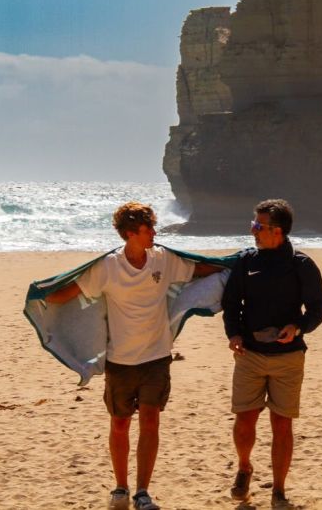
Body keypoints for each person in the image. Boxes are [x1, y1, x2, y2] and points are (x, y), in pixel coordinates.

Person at [45, 201, 222, 510]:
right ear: (129, 234)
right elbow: (71, 290)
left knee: (151, 421)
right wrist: (41, 298)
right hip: (121, 361)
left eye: (152, 227)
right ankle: (120, 487)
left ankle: (142, 492)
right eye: (147, 229)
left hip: (156, 357)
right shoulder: (108, 267)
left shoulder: (163, 259)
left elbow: (197, 268)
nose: (154, 232)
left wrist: (231, 267)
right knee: (120, 424)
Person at [222, 199, 322, 508]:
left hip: (289, 358)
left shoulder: (301, 264)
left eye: (258, 226)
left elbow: (318, 310)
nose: (252, 230)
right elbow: (231, 305)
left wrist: (298, 326)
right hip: (250, 355)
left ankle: (278, 490)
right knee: (245, 421)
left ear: (277, 231)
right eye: (252, 224)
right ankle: (244, 467)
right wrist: (234, 335)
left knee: (282, 426)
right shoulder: (246, 262)